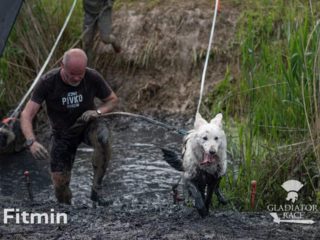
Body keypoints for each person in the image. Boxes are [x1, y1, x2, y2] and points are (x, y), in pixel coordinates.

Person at [20, 48, 118, 205]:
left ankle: (96, 191)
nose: (77, 78)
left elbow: (112, 99)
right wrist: (31, 141)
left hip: (87, 125)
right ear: (62, 66)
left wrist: (98, 112)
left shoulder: (92, 76)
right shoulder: (48, 81)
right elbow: (26, 114)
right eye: (72, 74)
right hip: (62, 134)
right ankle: (66, 208)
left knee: (103, 137)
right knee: (60, 185)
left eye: (80, 74)